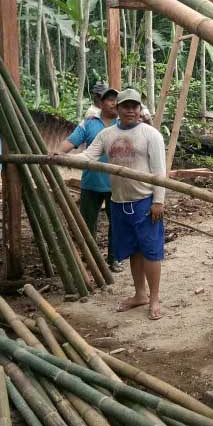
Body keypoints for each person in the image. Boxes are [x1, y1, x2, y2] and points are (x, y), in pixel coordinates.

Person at [82, 89, 167, 320]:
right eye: (125, 106)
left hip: (145, 202)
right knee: (133, 250)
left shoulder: (151, 134)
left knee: (151, 251)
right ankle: (140, 294)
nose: (130, 110)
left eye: (135, 106)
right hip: (119, 201)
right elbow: (88, 157)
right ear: (117, 109)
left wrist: (158, 201)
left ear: (140, 110)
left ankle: (155, 297)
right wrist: (58, 158)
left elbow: (160, 170)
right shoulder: (107, 135)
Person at [56, 82, 122, 273]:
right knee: (87, 224)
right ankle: (91, 259)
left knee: (116, 224)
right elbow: (70, 142)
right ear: (101, 103)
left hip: (117, 185)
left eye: (116, 100)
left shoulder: (124, 124)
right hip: (91, 183)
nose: (113, 103)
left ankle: (114, 259)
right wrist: (57, 153)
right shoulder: (89, 123)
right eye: (109, 99)